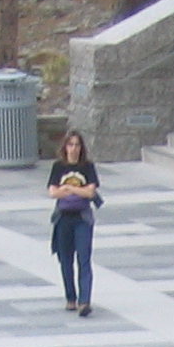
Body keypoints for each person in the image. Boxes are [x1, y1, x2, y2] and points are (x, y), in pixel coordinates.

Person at [46, 129, 103, 316]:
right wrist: (79, 190)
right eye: (70, 145)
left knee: (84, 259)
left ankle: (84, 301)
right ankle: (71, 297)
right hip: (63, 218)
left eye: (77, 145)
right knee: (65, 259)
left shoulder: (87, 167)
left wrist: (69, 188)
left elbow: (90, 192)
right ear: (65, 147)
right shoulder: (58, 167)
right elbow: (53, 192)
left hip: (82, 218)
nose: (74, 148)